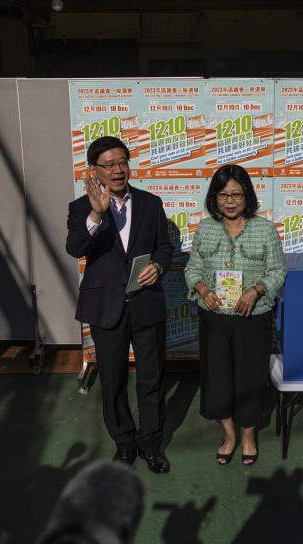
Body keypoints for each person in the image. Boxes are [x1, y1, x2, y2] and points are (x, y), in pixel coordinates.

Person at [66, 136, 174, 474]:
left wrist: (157, 266)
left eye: (122, 162)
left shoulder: (150, 203)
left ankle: (151, 445)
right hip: (105, 306)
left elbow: (165, 247)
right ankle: (124, 443)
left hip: (146, 304)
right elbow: (75, 248)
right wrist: (97, 215)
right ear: (94, 170)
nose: (118, 170)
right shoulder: (80, 208)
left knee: (151, 379)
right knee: (113, 380)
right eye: (109, 164)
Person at [184, 164, 286, 467]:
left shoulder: (264, 228)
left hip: (253, 317)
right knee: (217, 379)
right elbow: (193, 269)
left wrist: (255, 291)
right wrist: (203, 290)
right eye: (223, 195)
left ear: (248, 196)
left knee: (251, 378)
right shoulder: (205, 228)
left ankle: (248, 436)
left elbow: (278, 270)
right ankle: (229, 434)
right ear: (214, 198)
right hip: (215, 317)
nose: (230, 201)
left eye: (236, 195)